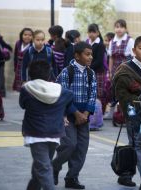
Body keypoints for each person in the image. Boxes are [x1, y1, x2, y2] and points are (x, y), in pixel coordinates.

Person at [113, 36, 141, 188]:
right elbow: (122, 95)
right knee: (138, 146)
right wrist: (137, 107)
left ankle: (127, 174)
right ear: (134, 50)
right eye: (140, 48)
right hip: (135, 114)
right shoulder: (125, 69)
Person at [19, 60, 73, 190]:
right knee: (42, 165)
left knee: (43, 167)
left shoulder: (26, 89)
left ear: (30, 74)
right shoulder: (61, 91)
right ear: (49, 75)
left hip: (35, 134)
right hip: (54, 133)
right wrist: (62, 111)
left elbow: (22, 105)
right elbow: (70, 96)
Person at [52, 42, 97, 189]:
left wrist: (85, 114)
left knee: (81, 148)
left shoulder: (91, 73)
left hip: (84, 117)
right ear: (77, 56)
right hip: (68, 116)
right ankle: (55, 166)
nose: (90, 57)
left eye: (91, 54)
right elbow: (63, 95)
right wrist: (75, 113)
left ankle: (72, 177)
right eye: (87, 54)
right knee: (70, 144)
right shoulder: (67, 72)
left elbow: (93, 95)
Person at [104, 19, 134, 119]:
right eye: (117, 27)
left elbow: (132, 58)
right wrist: (110, 71)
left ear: (125, 28)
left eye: (121, 27)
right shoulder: (112, 41)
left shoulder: (130, 40)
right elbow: (111, 57)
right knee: (113, 91)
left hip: (126, 71)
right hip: (115, 71)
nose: (119, 29)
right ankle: (111, 112)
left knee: (125, 92)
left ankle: (124, 114)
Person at [86, 23, 107, 113]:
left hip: (98, 72)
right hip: (89, 70)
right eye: (89, 32)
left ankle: (98, 115)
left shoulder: (100, 45)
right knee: (89, 92)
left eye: (93, 32)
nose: (91, 34)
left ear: (98, 33)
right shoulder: (87, 43)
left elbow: (99, 61)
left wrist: (88, 67)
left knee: (98, 93)